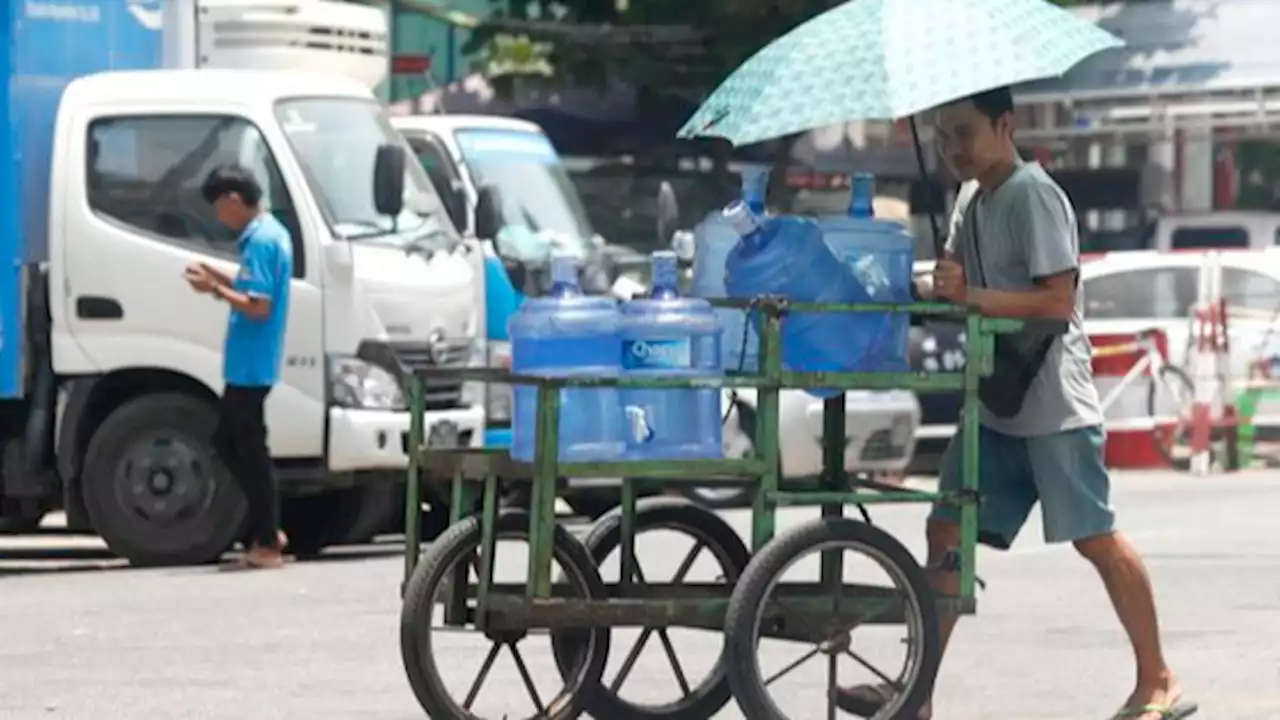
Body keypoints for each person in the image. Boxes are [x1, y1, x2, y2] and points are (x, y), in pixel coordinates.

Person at [838, 87, 1193, 720]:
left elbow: (1057, 303)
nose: (952, 150)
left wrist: (970, 293)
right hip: (996, 402)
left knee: (1096, 539)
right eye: (943, 137)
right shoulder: (970, 197)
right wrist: (921, 282)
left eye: (964, 134)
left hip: (1053, 402)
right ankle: (915, 694)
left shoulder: (1034, 193)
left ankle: (1158, 679)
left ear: (1006, 124)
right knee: (946, 528)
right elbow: (955, 282)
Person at [184, 165, 293, 570]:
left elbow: (258, 306)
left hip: (251, 362)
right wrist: (217, 275)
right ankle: (267, 530)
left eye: (218, 208)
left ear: (233, 199)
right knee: (232, 442)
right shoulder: (269, 234)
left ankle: (267, 538)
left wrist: (213, 290)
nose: (219, 217)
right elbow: (250, 284)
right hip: (250, 361)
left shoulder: (261, 241)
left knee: (245, 448)